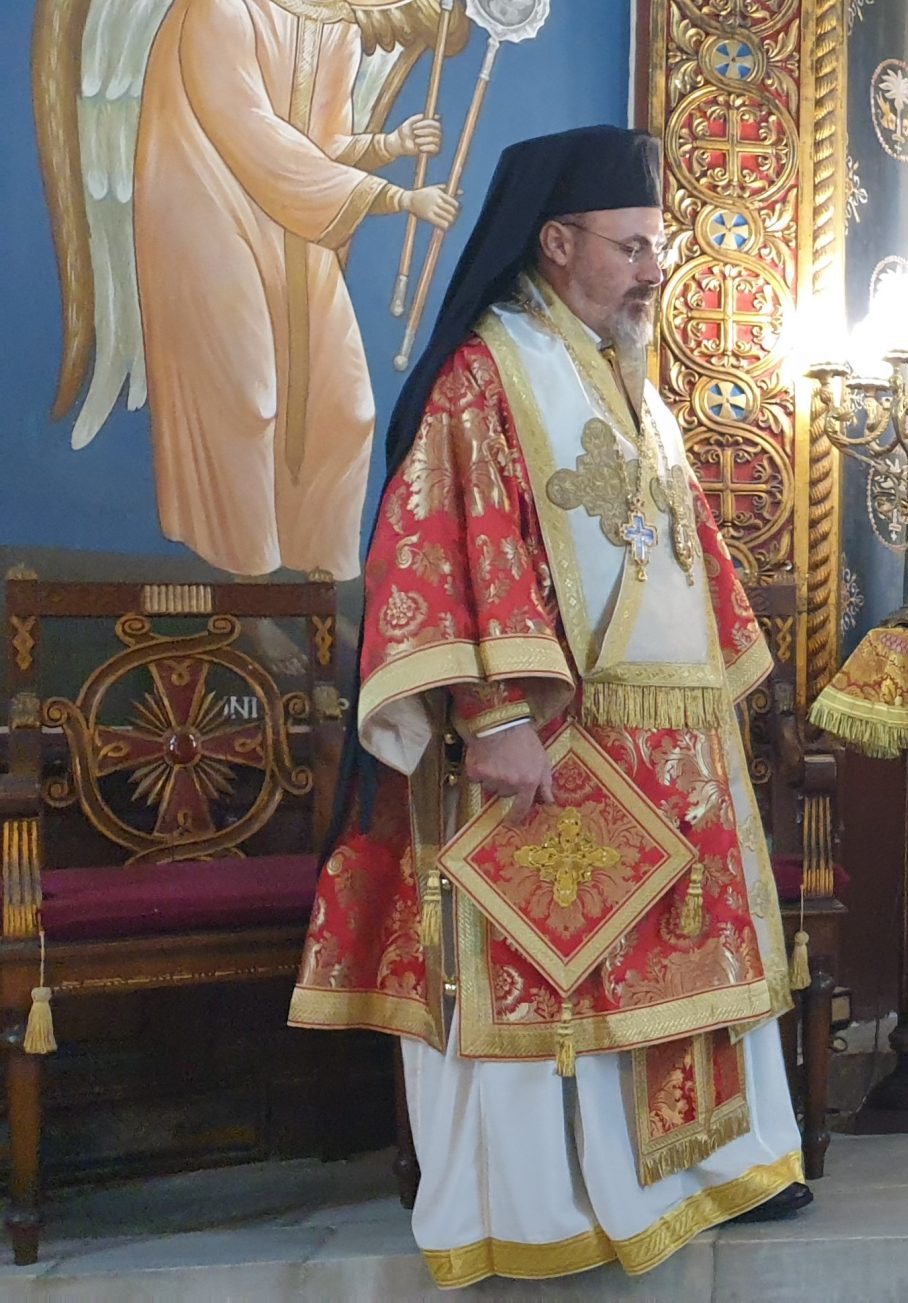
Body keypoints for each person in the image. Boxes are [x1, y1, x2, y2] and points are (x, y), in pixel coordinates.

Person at [288, 125, 808, 1288]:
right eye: (631, 247)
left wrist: (724, 685)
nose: (653, 270)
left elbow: (677, 539)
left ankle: (715, 1166)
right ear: (558, 241)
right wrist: (494, 716)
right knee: (555, 966)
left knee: (682, 958)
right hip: (556, 740)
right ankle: (545, 1198)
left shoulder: (621, 374)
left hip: (671, 740)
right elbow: (449, 548)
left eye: (658, 246)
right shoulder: (488, 374)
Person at [135, 0, 459, 580]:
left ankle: (318, 584)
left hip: (295, 216)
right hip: (207, 214)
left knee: (347, 408)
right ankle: (246, 583)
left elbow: (319, 145)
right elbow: (257, 142)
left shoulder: (336, 27)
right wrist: (397, 198)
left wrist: (390, 145)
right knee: (248, 397)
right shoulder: (220, 13)